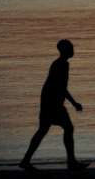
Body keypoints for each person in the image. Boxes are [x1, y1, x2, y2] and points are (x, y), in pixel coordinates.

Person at [19, 40, 88, 171]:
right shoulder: (61, 64)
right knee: (67, 128)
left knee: (44, 131)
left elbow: (58, 87)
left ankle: (25, 160)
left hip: (49, 102)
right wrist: (74, 103)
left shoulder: (61, 63)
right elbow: (60, 87)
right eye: (71, 49)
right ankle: (71, 162)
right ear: (65, 50)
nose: (73, 51)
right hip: (52, 103)